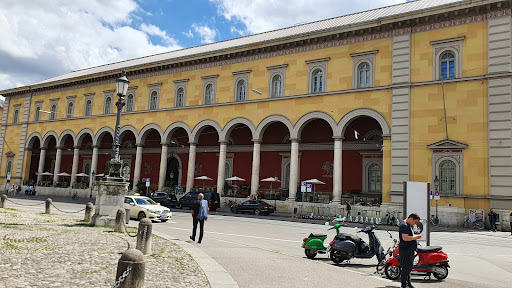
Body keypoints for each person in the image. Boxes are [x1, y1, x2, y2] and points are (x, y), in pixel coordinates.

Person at [399, 213, 422, 288]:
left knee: (409, 267)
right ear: (411, 218)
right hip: (406, 250)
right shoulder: (404, 225)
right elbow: (405, 238)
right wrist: (415, 237)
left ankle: (408, 284)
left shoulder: (408, 225)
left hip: (409, 250)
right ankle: (404, 285)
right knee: (406, 268)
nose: (415, 224)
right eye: (415, 222)